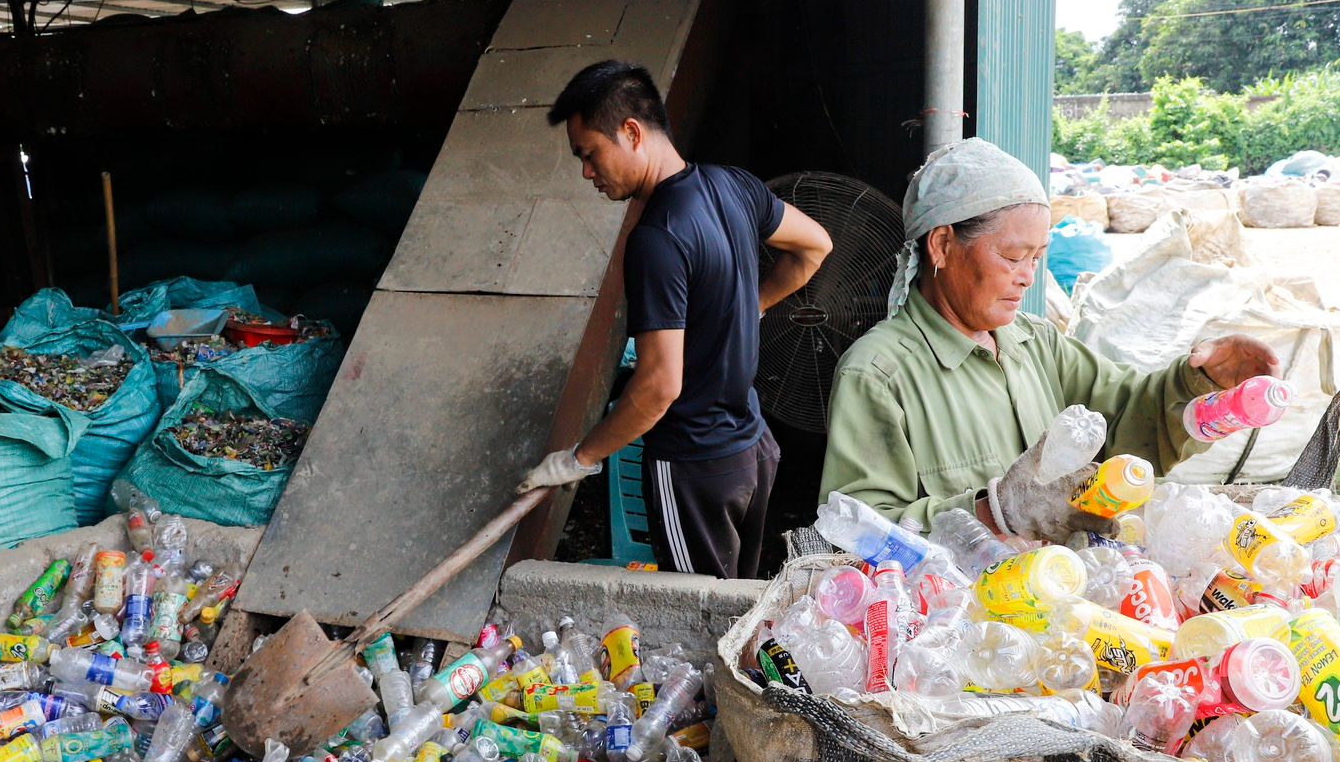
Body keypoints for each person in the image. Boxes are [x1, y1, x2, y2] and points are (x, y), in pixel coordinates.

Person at [820, 138, 1279, 539]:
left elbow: (1130, 419)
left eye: (1037, 258)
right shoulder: (878, 373)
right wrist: (994, 512)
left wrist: (1201, 384)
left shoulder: (1034, 342)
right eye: (1014, 256)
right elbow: (856, 529)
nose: (1027, 278)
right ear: (941, 245)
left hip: (1059, 594)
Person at [515, 60, 834, 579]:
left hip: (695, 464)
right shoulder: (734, 185)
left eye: (590, 154)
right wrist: (746, 307)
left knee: (700, 618)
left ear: (632, 132)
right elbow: (815, 246)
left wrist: (579, 458)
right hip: (754, 448)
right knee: (737, 607)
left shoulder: (656, 236)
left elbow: (659, 386)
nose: (586, 174)